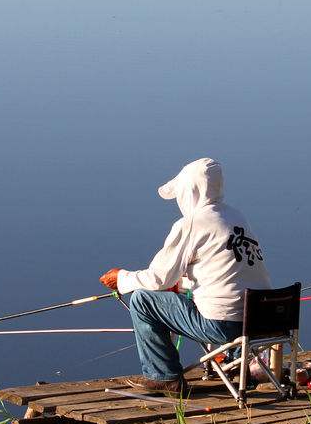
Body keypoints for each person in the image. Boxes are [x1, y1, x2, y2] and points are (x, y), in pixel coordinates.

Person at [99, 158, 271, 395]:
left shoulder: (192, 223)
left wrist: (122, 279)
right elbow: (220, 271)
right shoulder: (236, 217)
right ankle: (240, 364)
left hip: (224, 326)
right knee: (211, 300)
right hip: (261, 322)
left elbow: (160, 279)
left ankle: (164, 376)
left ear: (190, 192)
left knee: (142, 300)